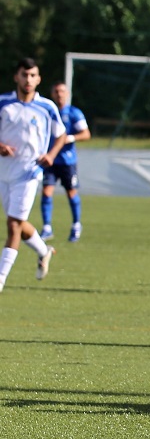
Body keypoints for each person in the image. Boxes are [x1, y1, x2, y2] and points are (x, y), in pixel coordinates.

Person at [0, 58, 66, 293]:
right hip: (4, 172)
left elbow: (61, 135)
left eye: (32, 76)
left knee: (13, 224)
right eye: (24, 75)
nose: (28, 80)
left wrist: (51, 154)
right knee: (17, 223)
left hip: (29, 173)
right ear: (16, 77)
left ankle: (1, 279)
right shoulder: (3, 103)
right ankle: (43, 251)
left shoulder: (47, 107)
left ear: (38, 79)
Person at [40, 81, 91, 243]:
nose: (59, 94)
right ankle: (47, 227)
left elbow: (86, 134)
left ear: (67, 93)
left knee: (71, 192)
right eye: (56, 91)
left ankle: (76, 224)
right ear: (52, 94)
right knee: (46, 192)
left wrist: (71, 137)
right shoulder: (47, 112)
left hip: (68, 162)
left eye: (62, 91)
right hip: (50, 159)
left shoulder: (74, 113)